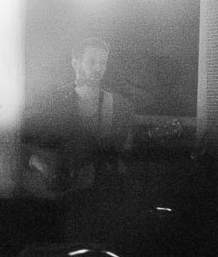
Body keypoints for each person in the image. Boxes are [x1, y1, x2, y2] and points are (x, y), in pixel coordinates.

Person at [23, 37, 135, 200]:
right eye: (92, 62)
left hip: (101, 193)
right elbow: (24, 139)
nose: (98, 68)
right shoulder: (55, 101)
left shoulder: (117, 105)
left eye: (102, 63)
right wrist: (40, 165)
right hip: (60, 196)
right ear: (76, 64)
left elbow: (123, 149)